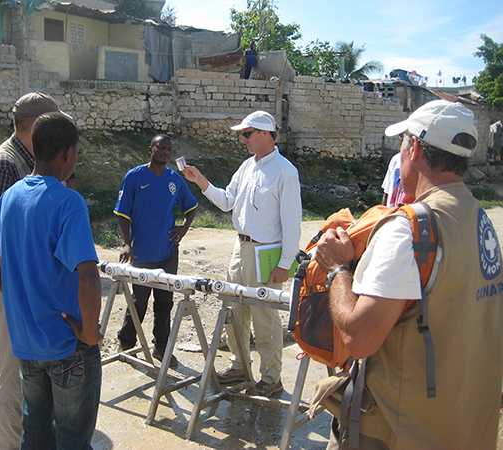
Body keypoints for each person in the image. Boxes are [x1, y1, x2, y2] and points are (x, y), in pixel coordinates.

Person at [315, 99, 503, 450]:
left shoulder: (410, 229)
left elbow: (359, 338)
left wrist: (337, 268)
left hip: (400, 430)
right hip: (464, 424)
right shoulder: (479, 218)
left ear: (413, 148)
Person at [0, 112, 102, 450]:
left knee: (37, 436)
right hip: (67, 345)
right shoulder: (68, 201)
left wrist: (8, 288)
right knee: (73, 439)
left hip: (27, 345)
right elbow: (87, 275)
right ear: (67, 153)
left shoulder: (12, 196)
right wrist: (88, 332)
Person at [183, 111, 302, 397]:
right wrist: (201, 181)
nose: (242, 139)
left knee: (265, 318)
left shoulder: (285, 171)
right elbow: (227, 202)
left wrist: (285, 264)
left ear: (264, 133)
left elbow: (292, 223)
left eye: (246, 134)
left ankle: (271, 379)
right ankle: (240, 366)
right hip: (241, 248)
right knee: (234, 311)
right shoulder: (247, 166)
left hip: (266, 251)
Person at [0, 91, 60, 450]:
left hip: (31, 285)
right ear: (35, 126)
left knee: (35, 368)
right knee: (14, 370)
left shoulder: (29, 159)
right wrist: (12, 289)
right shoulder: (3, 162)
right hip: (15, 286)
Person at [114, 135, 198, 368]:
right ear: (150, 149)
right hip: (141, 253)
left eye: (168, 149)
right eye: (160, 147)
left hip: (168, 253)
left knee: (164, 302)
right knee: (138, 301)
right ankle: (127, 344)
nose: (164, 152)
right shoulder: (134, 177)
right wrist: (127, 243)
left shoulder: (175, 179)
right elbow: (122, 214)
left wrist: (183, 230)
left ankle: (162, 348)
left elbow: (191, 207)